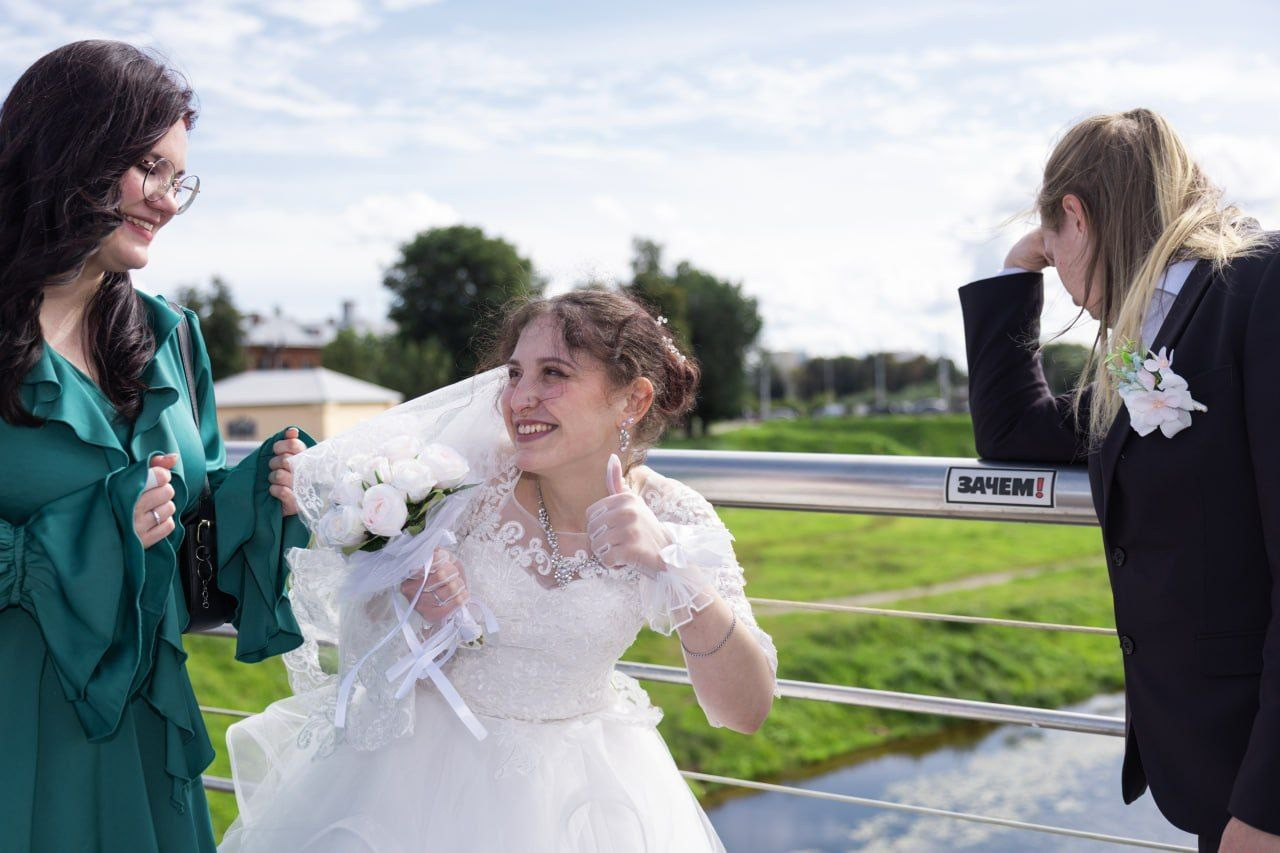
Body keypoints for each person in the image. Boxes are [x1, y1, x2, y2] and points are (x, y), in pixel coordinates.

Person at [219, 290, 778, 852]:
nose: (521, 399)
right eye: (515, 374)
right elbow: (368, 636)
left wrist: (671, 566)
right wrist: (415, 610)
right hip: (419, 785)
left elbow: (746, 711)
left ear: (630, 401)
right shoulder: (459, 479)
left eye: (553, 374)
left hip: (588, 796)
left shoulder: (674, 515)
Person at [0, 41, 312, 852]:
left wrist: (262, 495)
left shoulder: (171, 337)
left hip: (145, 719)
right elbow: (108, 525)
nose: (169, 200)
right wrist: (94, 533)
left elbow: (190, 523)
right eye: (149, 168)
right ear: (69, 149)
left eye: (180, 179)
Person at [959, 108, 1280, 852]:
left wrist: (1267, 806)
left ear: (1077, 213)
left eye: (1055, 244)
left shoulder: (1261, 291)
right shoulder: (1148, 337)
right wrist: (1018, 270)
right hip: (1220, 777)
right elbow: (1013, 433)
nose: (1069, 290)